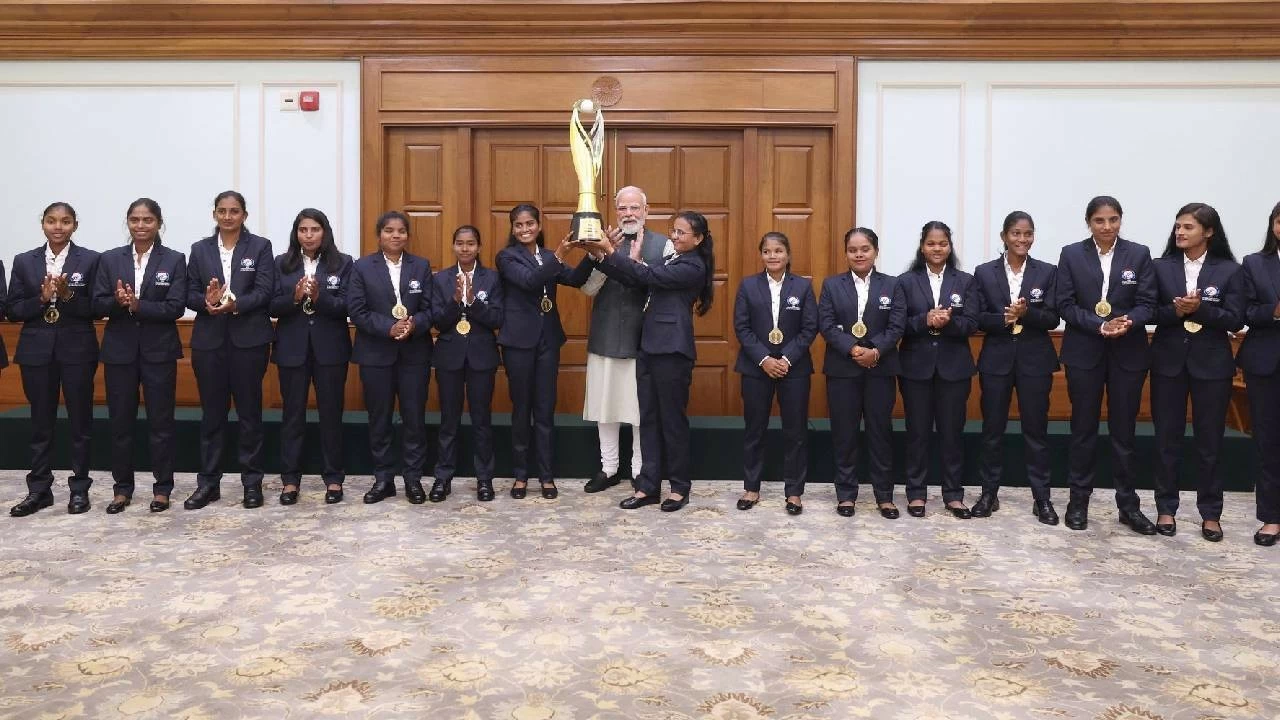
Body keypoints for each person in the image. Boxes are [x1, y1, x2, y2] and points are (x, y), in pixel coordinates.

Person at [584, 210, 715, 512]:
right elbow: (636, 275)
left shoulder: (693, 265)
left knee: (672, 422)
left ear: (698, 239)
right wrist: (606, 257)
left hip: (672, 351)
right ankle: (649, 487)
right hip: (649, 347)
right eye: (674, 231)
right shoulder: (671, 260)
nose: (675, 236)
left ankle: (679, 488)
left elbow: (646, 275)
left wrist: (610, 250)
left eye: (682, 233)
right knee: (649, 420)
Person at [1055, 196, 1157, 533]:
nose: (1107, 226)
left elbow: (1148, 303)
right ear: (1089, 222)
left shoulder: (1138, 254)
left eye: (1113, 219)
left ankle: (1128, 506)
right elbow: (1065, 305)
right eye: (1100, 220)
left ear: (1120, 221)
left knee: (1124, 432)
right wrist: (1099, 325)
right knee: (1083, 430)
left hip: (1128, 352)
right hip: (1084, 351)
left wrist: (1127, 321)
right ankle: (1078, 502)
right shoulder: (1071, 254)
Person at [1150, 203, 1243, 542]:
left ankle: (1211, 513)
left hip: (1212, 364)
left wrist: (1200, 310)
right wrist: (1176, 312)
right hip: (1168, 362)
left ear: (1209, 231)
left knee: (1210, 442)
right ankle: (1166, 508)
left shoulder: (1230, 270)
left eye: (1188, 227)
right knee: (1166, 438)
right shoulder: (1160, 267)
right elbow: (1149, 311)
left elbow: (1236, 319)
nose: (1180, 232)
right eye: (1178, 226)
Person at [91, 198, 187, 514]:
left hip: (159, 351)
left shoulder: (174, 259)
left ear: (159, 223)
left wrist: (138, 305)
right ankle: (122, 490)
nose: (141, 225)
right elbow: (96, 304)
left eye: (147, 220)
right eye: (135, 219)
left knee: (161, 423)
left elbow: (175, 307)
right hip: (119, 351)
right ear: (128, 222)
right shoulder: (109, 259)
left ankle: (162, 489)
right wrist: (118, 302)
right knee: (120, 423)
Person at [183, 190, 278, 510]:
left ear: (244, 216)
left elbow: (265, 290)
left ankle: (252, 484)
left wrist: (236, 304)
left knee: (250, 415)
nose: (228, 216)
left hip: (249, 341)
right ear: (214, 214)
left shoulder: (260, 247)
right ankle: (208, 484)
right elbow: (188, 293)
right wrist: (206, 301)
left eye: (234, 211)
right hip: (209, 343)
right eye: (222, 211)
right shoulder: (200, 249)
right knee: (212, 416)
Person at [7, 202, 100, 517]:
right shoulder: (24, 261)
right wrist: (42, 299)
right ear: (43, 224)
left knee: (80, 422)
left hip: (77, 350)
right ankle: (39, 490)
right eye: (51, 221)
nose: (58, 227)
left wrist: (68, 296)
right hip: (36, 351)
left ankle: (79, 489)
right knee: (40, 423)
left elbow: (97, 309)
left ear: (75, 225)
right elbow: (13, 310)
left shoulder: (91, 260)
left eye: (65, 221)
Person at [495, 204, 593, 500]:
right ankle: (521, 475)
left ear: (539, 226)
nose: (525, 229)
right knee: (522, 409)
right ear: (513, 229)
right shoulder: (507, 257)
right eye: (519, 225)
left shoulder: (549, 255)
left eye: (530, 224)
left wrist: (593, 254)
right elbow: (530, 282)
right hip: (518, 342)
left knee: (545, 409)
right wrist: (560, 256)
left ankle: (546, 476)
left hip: (548, 341)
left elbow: (575, 280)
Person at [579, 186, 669, 493]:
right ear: (615, 211)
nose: (628, 214)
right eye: (622, 208)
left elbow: (663, 288)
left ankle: (640, 470)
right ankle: (609, 468)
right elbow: (588, 289)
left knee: (640, 410)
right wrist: (604, 255)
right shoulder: (602, 241)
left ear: (646, 210)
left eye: (634, 208)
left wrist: (632, 263)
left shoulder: (664, 245)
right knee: (605, 407)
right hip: (605, 334)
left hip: (644, 339)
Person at [972, 211, 1060, 524]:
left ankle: (1042, 498)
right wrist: (1004, 319)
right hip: (996, 360)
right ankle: (988, 493)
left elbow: (1053, 318)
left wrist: (1027, 315)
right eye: (1016, 234)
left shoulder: (1047, 271)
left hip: (1035, 360)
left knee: (1036, 431)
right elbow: (977, 318)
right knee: (992, 430)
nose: (1022, 239)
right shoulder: (984, 272)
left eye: (1027, 234)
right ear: (1004, 237)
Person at [819, 227, 906, 519]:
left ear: (875, 252)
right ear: (846, 253)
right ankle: (846, 495)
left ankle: (885, 496)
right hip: (843, 369)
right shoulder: (832, 285)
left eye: (865, 249)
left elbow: (896, 325)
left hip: (880, 370)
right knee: (844, 434)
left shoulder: (893, 285)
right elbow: (826, 324)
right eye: (853, 250)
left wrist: (875, 351)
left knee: (880, 433)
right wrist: (853, 349)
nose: (859, 254)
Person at [347, 210, 433, 505]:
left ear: (407, 235)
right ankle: (383, 479)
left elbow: (431, 308)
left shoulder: (421, 266)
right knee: (379, 419)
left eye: (401, 231)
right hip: (375, 354)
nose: (396, 235)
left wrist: (414, 324)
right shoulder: (361, 267)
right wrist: (389, 327)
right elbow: (356, 310)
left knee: (414, 418)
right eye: (389, 230)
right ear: (379, 235)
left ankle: (413, 479)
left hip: (414, 354)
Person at [269, 208, 353, 505]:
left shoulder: (343, 263)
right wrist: (294, 298)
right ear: (296, 233)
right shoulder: (282, 263)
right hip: (292, 349)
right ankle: (290, 480)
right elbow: (271, 306)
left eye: (314, 229)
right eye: (303, 230)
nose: (308, 235)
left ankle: (334, 479)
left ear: (324, 232)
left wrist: (320, 298)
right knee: (292, 416)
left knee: (331, 415)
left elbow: (348, 307)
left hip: (330, 350)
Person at [897, 221, 979, 519]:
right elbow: (897, 324)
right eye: (931, 243)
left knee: (951, 433)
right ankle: (916, 494)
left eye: (942, 243)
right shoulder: (905, 282)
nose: (937, 248)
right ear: (922, 247)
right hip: (915, 368)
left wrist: (948, 322)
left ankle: (953, 495)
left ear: (949, 246)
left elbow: (973, 323)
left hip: (954, 369)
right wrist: (925, 320)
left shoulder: (965, 281)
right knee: (917, 433)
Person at [733, 231, 817, 514]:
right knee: (754, 430)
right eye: (767, 251)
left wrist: (787, 359)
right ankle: (751, 488)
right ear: (761, 255)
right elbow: (741, 327)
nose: (773, 256)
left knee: (796, 432)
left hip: (794, 369)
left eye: (778, 250)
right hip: (756, 368)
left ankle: (794, 492)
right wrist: (764, 359)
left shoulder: (803, 287)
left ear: (788, 254)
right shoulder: (748, 285)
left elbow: (809, 328)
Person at [429, 225, 504, 502]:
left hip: (481, 356)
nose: (465, 248)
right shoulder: (441, 279)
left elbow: (497, 319)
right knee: (448, 420)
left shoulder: (493, 279)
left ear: (479, 247)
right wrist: (455, 301)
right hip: (449, 356)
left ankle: (484, 479)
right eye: (460, 243)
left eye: (470, 243)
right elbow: (438, 321)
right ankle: (443, 478)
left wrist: (473, 302)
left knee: (481, 420)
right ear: (453, 246)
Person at [1235, 200, 1280, 547]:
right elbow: (1244, 312)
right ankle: (1271, 517)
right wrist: (1274, 311)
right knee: (1269, 441)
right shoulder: (1255, 263)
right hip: (1266, 362)